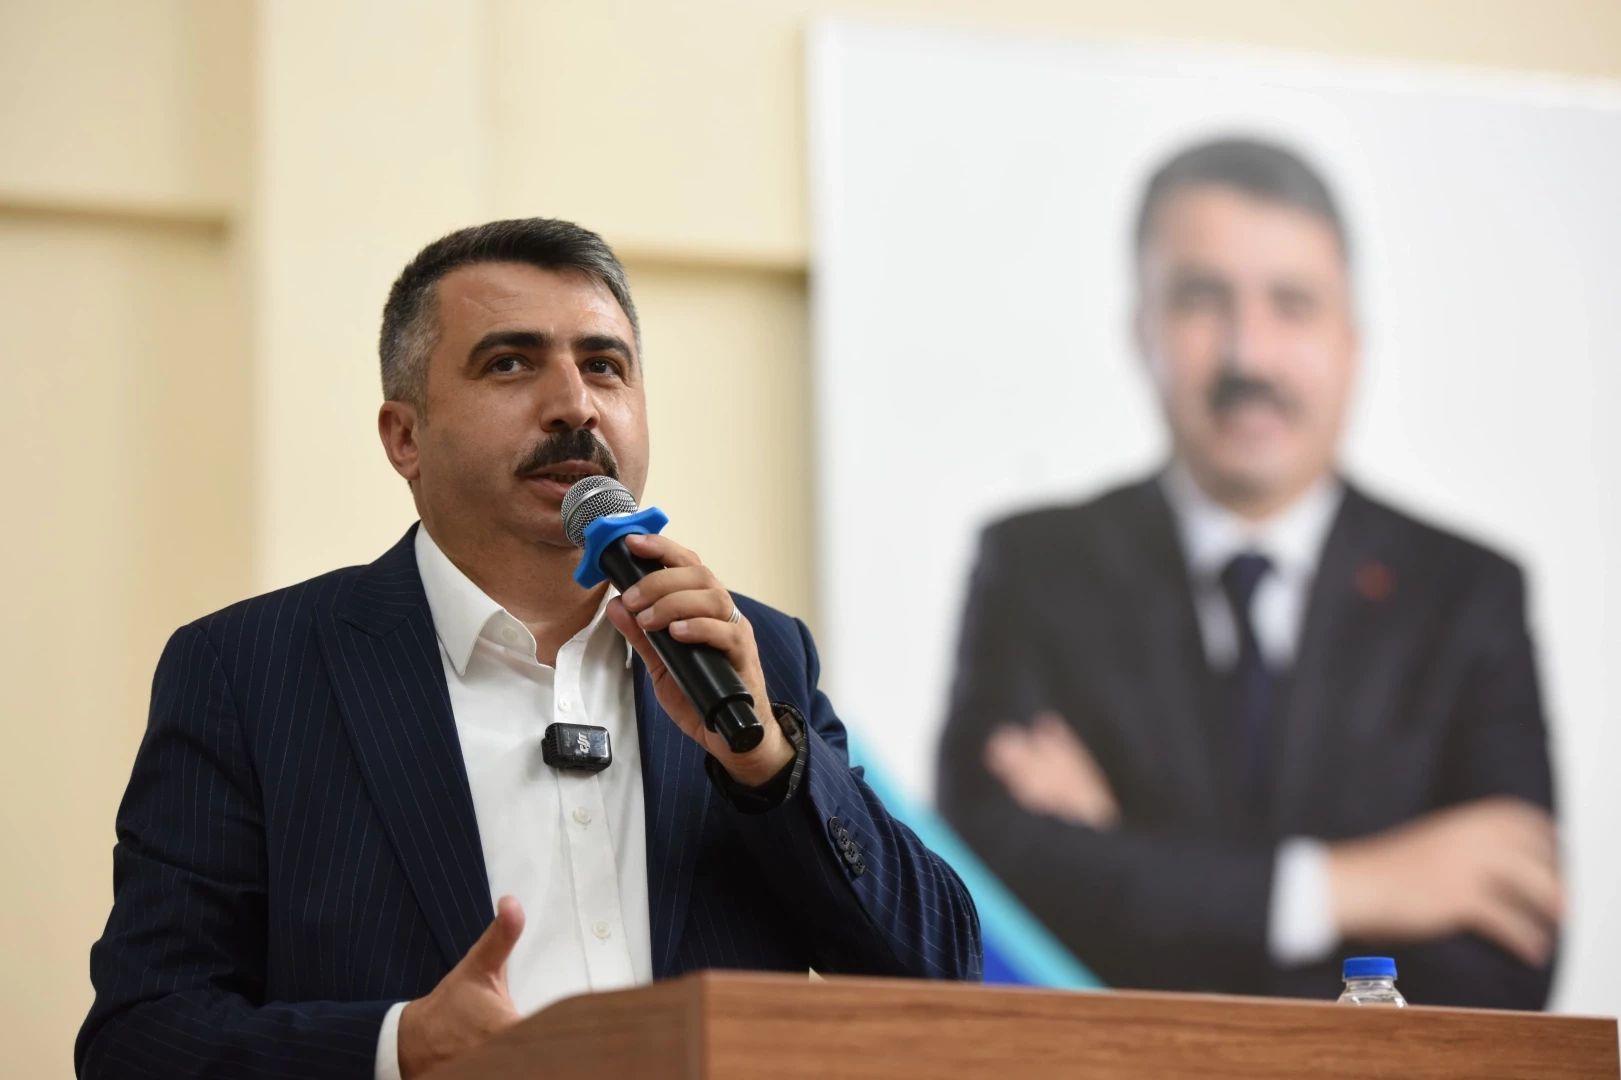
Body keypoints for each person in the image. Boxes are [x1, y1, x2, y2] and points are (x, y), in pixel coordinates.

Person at [78, 218, 981, 1080]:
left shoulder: (752, 657)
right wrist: (400, 1048)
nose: (573, 405)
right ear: (404, 436)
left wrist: (766, 761)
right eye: (509, 363)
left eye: (604, 367)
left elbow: (940, 974)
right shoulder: (252, 672)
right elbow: (142, 1037)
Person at [937, 138, 1559, 1008]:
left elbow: (1505, 964)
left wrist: (1128, 874)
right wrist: (1348, 889)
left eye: (1292, 305)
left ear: (1351, 342)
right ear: (1141, 329)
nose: (1249, 356)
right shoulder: (1035, 569)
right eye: (1201, 300)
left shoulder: (1467, 595)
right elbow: (977, 904)